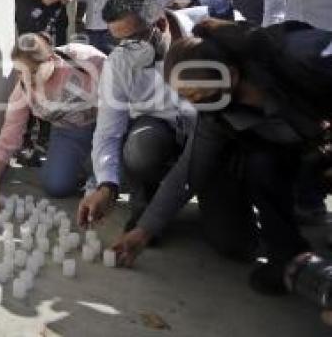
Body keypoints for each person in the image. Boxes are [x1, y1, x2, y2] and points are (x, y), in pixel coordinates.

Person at [110, 18, 332, 306]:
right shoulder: (215, 109)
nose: (194, 104)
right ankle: (287, 257)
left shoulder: (299, 55)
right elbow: (189, 171)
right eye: (187, 97)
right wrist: (144, 230)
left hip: (319, 135)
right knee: (261, 165)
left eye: (196, 94)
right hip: (298, 147)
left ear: (231, 75)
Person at [76, 0, 201, 233]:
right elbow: (108, 131)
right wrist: (107, 186)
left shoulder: (205, 37)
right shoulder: (119, 61)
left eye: (133, 40)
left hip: (208, 134)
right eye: (117, 40)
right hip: (157, 132)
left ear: (161, 25)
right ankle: (146, 197)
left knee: (233, 243)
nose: (124, 49)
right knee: (139, 148)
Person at [0, 33, 105, 201]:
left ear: (51, 59)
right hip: (70, 133)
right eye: (20, 72)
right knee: (56, 185)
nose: (27, 78)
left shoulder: (81, 58)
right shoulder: (23, 89)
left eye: (33, 71)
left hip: (107, 126)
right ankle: (80, 166)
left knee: (107, 176)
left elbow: (118, 81)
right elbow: (9, 136)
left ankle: (99, 168)